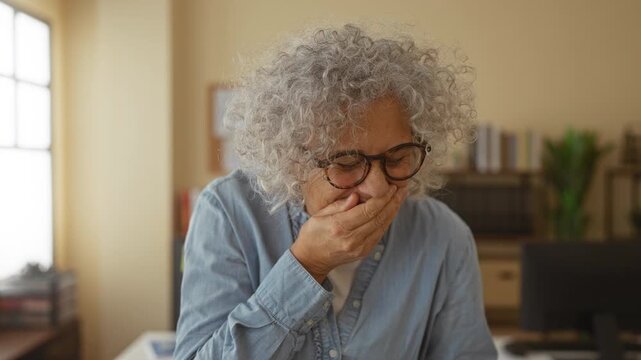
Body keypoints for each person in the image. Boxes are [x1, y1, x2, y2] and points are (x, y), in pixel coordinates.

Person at [175, 24, 497, 360]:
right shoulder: (228, 213)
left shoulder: (444, 237)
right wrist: (307, 266)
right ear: (292, 161)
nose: (377, 187)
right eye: (346, 163)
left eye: (398, 157)